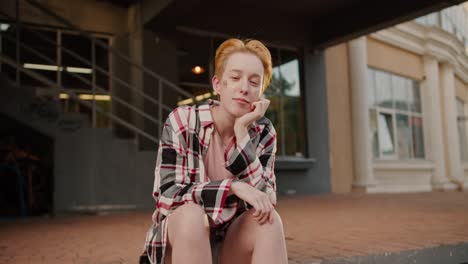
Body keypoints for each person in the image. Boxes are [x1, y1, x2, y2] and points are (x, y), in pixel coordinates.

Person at [142, 38, 288, 264]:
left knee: (269, 221)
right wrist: (232, 187)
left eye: (253, 82)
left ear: (260, 93)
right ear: (218, 84)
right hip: (182, 242)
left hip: (231, 245)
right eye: (235, 78)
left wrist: (242, 133)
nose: (243, 88)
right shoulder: (184, 120)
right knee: (191, 215)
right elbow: (167, 194)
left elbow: (265, 198)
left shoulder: (262, 131)